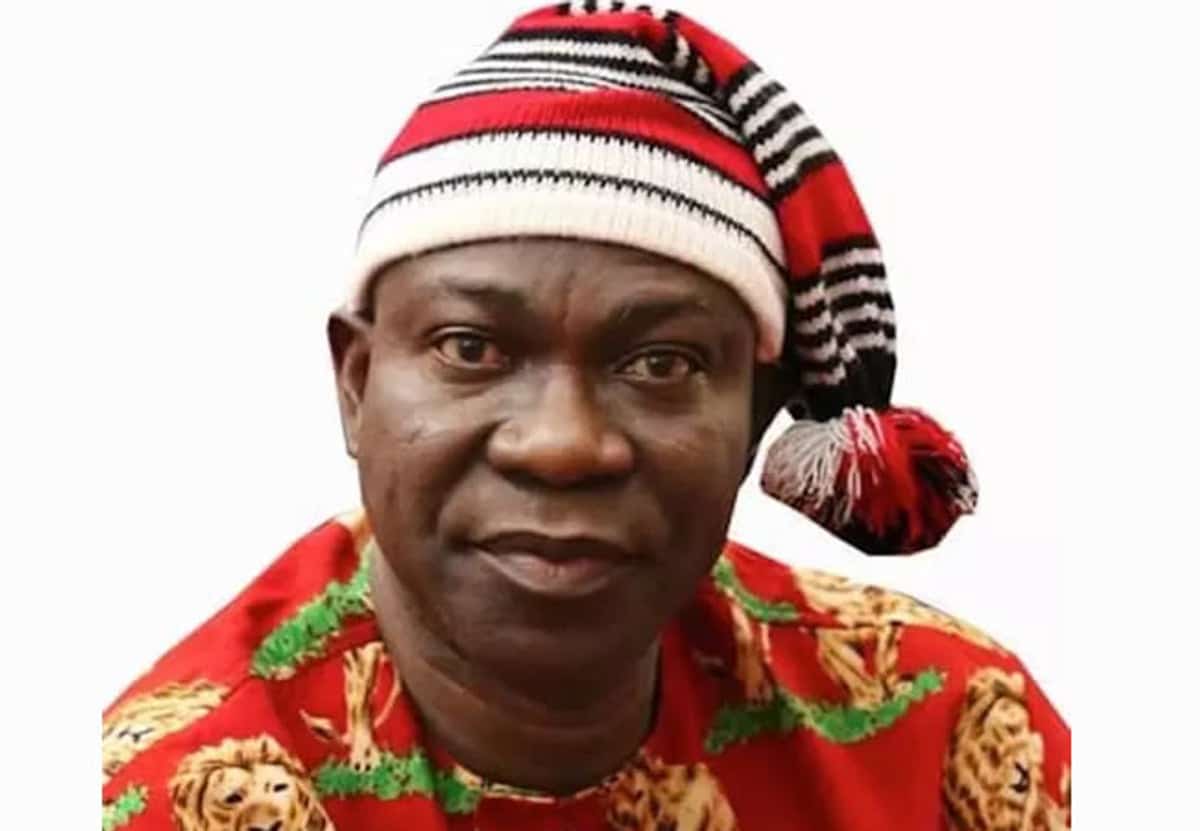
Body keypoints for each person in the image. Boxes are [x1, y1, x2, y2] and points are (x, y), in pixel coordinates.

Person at [100, 3, 1069, 829]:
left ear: (755, 417)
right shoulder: (184, 796)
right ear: (355, 386)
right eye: (471, 348)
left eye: (661, 362)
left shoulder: (944, 735)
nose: (562, 444)